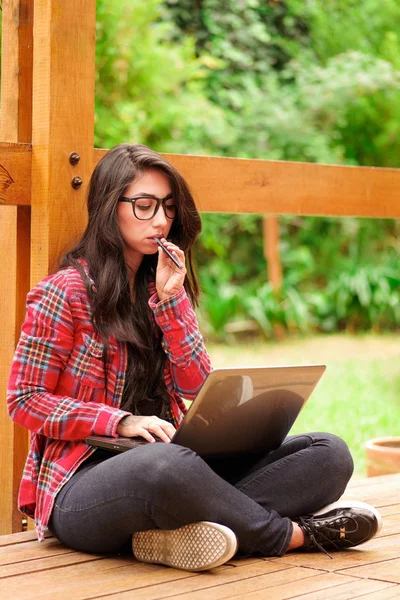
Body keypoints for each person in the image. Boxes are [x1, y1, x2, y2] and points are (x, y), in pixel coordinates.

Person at [7, 143, 382, 572]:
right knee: (164, 465)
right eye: (145, 206)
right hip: (86, 485)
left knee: (329, 453)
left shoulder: (163, 285)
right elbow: (24, 400)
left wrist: (171, 302)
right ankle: (288, 535)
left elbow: (195, 386)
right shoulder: (64, 293)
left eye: (168, 207)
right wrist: (121, 422)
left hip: (180, 467)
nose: (162, 220)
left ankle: (187, 532)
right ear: (110, 207)